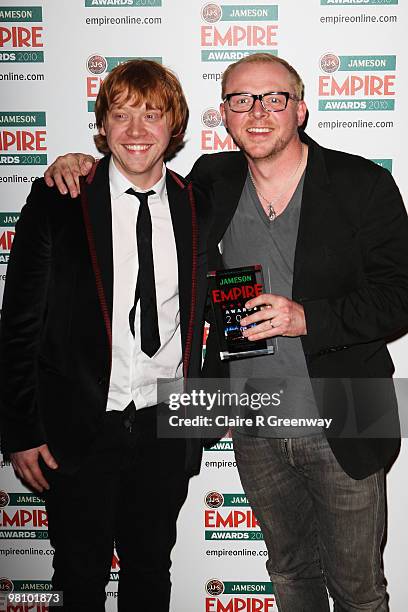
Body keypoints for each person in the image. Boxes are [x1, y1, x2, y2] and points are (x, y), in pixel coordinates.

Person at [42, 53, 408, 611]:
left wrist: (306, 318)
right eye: (241, 100)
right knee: (289, 572)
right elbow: (138, 180)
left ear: (301, 108)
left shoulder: (365, 183)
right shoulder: (212, 181)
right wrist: (78, 164)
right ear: (225, 114)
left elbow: (400, 297)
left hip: (351, 408)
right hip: (251, 414)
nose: (257, 112)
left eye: (273, 98)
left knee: (360, 589)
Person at [0, 59, 209, 612]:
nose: (136, 131)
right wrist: (20, 431)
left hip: (167, 426)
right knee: (79, 577)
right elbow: (19, 324)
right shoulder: (60, 198)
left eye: (152, 115)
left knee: (149, 573)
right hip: (80, 428)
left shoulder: (198, 203)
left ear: (176, 126)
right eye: (121, 116)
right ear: (102, 126)